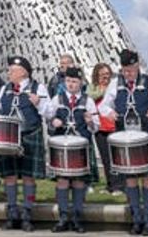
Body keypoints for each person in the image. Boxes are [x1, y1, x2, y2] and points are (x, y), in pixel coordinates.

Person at [100, 49, 148, 236]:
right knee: (129, 178)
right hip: (124, 138)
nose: (129, 74)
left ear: (138, 66)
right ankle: (136, 217)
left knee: (147, 178)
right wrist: (110, 112)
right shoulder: (115, 84)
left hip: (146, 135)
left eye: (132, 70)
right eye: (126, 70)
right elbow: (104, 105)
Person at [0, 55, 50, 232]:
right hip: (8, 137)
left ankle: (27, 213)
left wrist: (39, 103)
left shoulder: (38, 87)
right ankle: (11, 213)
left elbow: (49, 112)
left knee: (28, 177)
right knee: (9, 176)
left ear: (23, 72)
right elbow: (0, 111)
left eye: (12, 70)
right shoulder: (4, 89)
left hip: (30, 135)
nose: (8, 73)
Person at [46, 66, 99, 233]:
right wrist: (53, 122)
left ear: (81, 82)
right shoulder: (57, 99)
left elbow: (96, 127)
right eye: (68, 81)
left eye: (74, 81)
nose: (71, 84)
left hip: (81, 147)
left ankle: (77, 218)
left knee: (78, 181)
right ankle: (62, 218)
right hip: (62, 148)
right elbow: (48, 118)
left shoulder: (88, 101)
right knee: (62, 181)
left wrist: (90, 121)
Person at [89, 63, 120, 194]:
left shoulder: (115, 87)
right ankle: (110, 185)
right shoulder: (93, 88)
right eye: (102, 74)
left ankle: (118, 185)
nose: (105, 77)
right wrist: (103, 89)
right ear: (97, 75)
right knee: (105, 158)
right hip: (100, 127)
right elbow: (92, 97)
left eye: (107, 74)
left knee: (116, 158)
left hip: (114, 126)